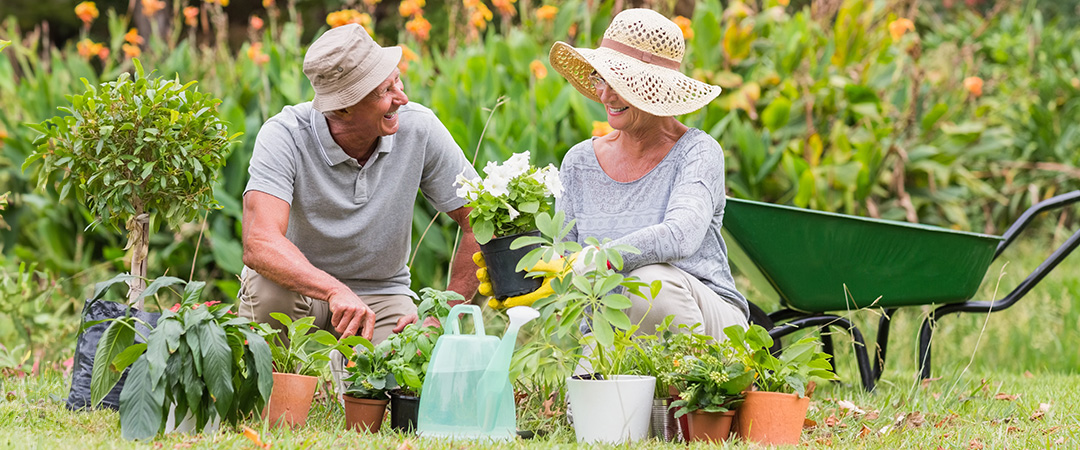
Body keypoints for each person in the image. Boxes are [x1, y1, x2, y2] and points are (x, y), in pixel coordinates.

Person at [239, 23, 480, 345]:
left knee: (405, 367)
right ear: (343, 107)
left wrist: (443, 312)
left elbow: (478, 218)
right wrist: (333, 290)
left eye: (397, 81)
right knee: (267, 294)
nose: (402, 98)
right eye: (385, 91)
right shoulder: (285, 134)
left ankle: (358, 391)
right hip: (296, 287)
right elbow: (260, 241)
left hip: (382, 292)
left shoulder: (419, 128)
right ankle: (277, 391)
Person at [546, 8, 749, 340]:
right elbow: (565, 262)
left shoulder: (697, 152)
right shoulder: (579, 162)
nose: (606, 95)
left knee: (649, 282)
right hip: (612, 330)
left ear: (655, 86)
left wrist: (600, 259)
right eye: (601, 78)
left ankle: (691, 388)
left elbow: (679, 235)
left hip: (709, 322)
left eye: (620, 82)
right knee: (590, 384)